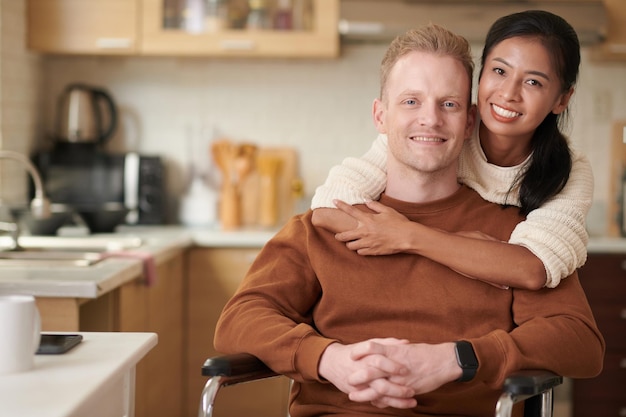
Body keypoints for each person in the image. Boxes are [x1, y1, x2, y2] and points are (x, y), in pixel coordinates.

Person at [214, 24, 604, 416]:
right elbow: (238, 321)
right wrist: (329, 359)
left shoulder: (514, 236)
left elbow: (580, 342)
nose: (430, 120)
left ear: (469, 122)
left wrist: (458, 359)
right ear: (380, 116)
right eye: (411, 102)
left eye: (448, 104)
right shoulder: (330, 223)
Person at [311, 10, 593, 290]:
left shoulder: (569, 172)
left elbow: (533, 269)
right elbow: (329, 206)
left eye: (533, 82)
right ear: (481, 76)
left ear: (562, 99)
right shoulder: (439, 135)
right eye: (499, 71)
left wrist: (410, 235)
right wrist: (472, 248)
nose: (509, 93)